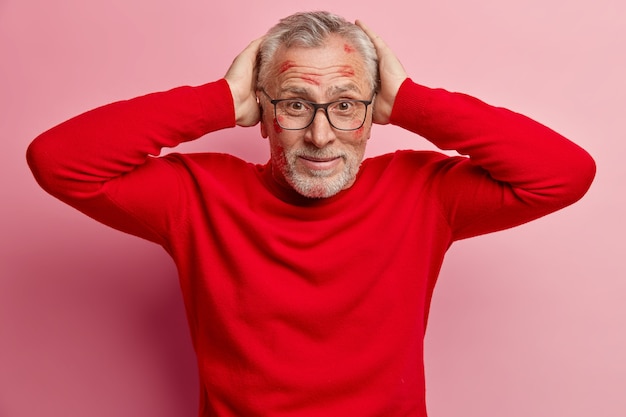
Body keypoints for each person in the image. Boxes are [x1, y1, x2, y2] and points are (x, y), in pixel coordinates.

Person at [27, 11, 595, 417]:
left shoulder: (424, 192)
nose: (321, 136)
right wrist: (219, 100)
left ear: (376, 113)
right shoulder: (196, 196)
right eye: (297, 104)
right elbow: (58, 162)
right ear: (265, 114)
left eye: (345, 105)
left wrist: (415, 102)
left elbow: (564, 173)